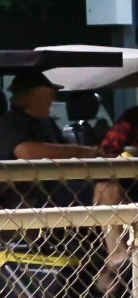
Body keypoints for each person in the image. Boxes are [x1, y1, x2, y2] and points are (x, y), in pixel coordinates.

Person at [0, 72, 97, 206]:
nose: (53, 100)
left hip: (57, 189)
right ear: (35, 94)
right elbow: (27, 152)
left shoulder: (46, 123)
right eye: (50, 94)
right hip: (29, 198)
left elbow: (62, 147)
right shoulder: (9, 123)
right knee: (101, 190)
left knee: (106, 186)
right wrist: (81, 152)